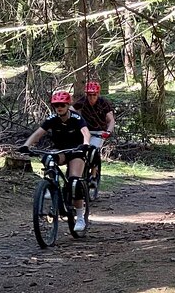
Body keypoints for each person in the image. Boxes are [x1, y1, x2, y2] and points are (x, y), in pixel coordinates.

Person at [18, 90, 91, 231]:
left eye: (62, 105)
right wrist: (26, 145)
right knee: (48, 158)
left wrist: (86, 144)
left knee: (74, 182)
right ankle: (51, 186)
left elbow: (85, 133)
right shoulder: (52, 119)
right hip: (61, 151)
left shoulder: (76, 118)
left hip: (76, 151)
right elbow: (38, 133)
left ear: (67, 104)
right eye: (56, 105)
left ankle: (80, 217)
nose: (59, 107)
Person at [72, 81, 115, 180]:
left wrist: (108, 132)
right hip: (85, 131)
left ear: (98, 94)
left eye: (94, 95)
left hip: (99, 132)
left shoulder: (103, 103)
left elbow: (111, 120)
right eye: (89, 95)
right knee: (79, 149)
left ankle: (94, 173)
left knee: (94, 150)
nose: (91, 97)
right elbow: (71, 110)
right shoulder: (83, 101)